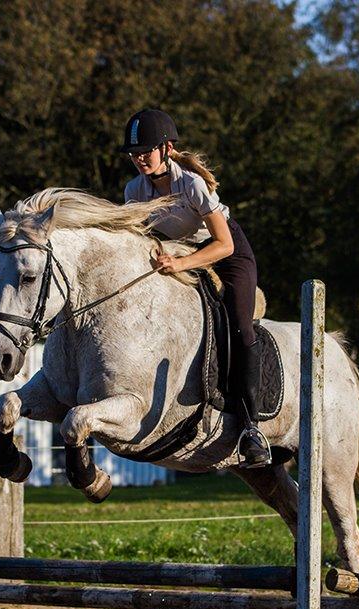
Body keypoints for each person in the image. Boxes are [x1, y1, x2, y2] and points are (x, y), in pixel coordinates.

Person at [119, 108, 270, 468]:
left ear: (167, 148)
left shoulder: (192, 184)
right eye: (134, 153)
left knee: (238, 324)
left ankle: (251, 427)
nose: (139, 158)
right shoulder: (133, 190)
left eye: (146, 151)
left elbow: (223, 245)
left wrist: (180, 264)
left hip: (227, 253)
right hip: (177, 253)